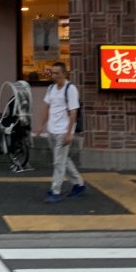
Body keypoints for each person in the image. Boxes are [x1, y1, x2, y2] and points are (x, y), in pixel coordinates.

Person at [36, 61, 85, 203]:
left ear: (64, 74)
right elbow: (46, 107)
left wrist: (69, 133)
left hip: (63, 131)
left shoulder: (70, 89)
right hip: (52, 130)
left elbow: (73, 112)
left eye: (57, 73)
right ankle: (79, 184)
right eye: (53, 73)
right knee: (63, 159)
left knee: (58, 162)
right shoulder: (51, 88)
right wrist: (41, 125)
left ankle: (55, 191)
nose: (54, 75)